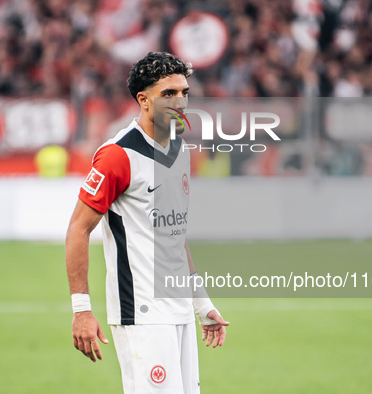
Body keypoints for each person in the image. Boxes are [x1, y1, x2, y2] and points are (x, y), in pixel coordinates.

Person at [65, 52, 229, 393]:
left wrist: (200, 302)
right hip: (142, 311)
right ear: (143, 100)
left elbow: (174, 234)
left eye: (184, 92)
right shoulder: (117, 156)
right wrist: (81, 310)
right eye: (168, 94)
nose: (180, 101)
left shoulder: (180, 150)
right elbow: (79, 229)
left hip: (179, 308)